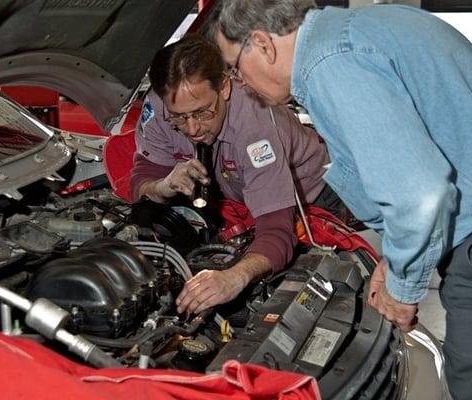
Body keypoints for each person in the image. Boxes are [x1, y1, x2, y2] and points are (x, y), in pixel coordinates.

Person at [213, 1, 472, 399]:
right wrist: (395, 259)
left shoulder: (330, 63)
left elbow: (420, 195)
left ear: (262, 44)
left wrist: (403, 287)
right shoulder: (360, 29)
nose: (242, 84)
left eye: (235, 68)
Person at [131, 34, 342, 316]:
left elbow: (278, 232)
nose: (192, 128)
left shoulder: (255, 127)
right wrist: (162, 186)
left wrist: (234, 277)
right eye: (179, 117)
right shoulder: (157, 107)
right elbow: (141, 179)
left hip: (313, 200)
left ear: (226, 88)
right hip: (236, 197)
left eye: (203, 112)